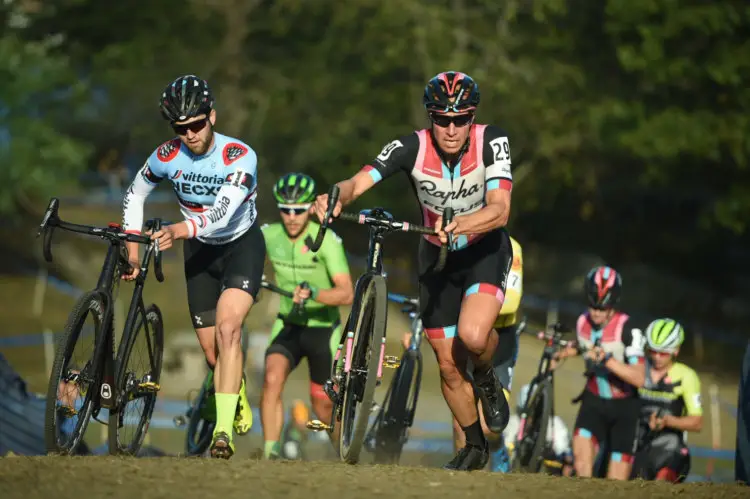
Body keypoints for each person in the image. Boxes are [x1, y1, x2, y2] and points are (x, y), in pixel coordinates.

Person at [314, 71, 514, 470]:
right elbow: (358, 181)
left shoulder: (492, 140)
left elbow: (500, 209)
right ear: (430, 117)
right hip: (436, 258)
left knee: (474, 338)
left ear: (473, 117)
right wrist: (334, 197)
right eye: (443, 119)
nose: (452, 128)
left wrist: (463, 223)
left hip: (483, 251)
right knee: (446, 363)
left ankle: (488, 376)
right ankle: (474, 445)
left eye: (461, 119)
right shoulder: (410, 146)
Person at [120, 74, 265, 459]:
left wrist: (182, 228)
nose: (190, 134)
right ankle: (236, 389)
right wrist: (133, 248)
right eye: (180, 128)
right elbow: (136, 193)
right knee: (215, 353)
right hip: (199, 253)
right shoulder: (167, 156)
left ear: (212, 116)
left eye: (197, 124)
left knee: (229, 330)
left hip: (240, 246)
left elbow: (222, 212)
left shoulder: (239, 155)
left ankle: (222, 434)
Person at [260, 173, 354, 459]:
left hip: (323, 329)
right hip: (288, 324)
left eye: (298, 210)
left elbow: (347, 293)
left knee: (323, 406)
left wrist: (314, 292)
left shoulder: (326, 241)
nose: (291, 217)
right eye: (285, 210)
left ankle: (345, 455)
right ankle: (270, 454)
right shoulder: (268, 234)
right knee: (272, 379)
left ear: (312, 208)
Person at [554, 265, 645, 479]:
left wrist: (607, 360)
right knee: (582, 464)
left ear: (613, 305)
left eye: (602, 309)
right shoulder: (582, 322)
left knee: (615, 482)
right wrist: (561, 353)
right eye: (592, 306)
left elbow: (640, 378)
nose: (595, 313)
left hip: (625, 409)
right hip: (593, 402)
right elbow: (582, 345)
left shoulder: (628, 329)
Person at [449, 235, 523, 472]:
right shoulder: (458, 238)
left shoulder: (511, 247)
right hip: (463, 333)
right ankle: (464, 475)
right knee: (463, 413)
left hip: (499, 337)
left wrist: (475, 306)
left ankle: (497, 446)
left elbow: (511, 302)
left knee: (489, 426)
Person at [631, 318, 703, 483]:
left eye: (663, 353)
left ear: (676, 350)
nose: (656, 357)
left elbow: (697, 422)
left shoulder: (687, 376)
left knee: (661, 485)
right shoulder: (639, 370)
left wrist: (668, 421)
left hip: (671, 450)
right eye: (652, 351)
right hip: (639, 448)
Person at [504, 383, 574, 477]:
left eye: (534, 414)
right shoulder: (513, 423)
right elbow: (503, 451)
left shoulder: (554, 424)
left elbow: (566, 455)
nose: (530, 419)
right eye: (527, 413)